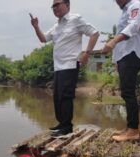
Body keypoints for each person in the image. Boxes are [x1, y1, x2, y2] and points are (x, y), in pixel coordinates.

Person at [29, 0, 99, 137]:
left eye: (57, 4)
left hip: (70, 64)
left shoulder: (76, 19)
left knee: (66, 96)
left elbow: (94, 33)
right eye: (53, 6)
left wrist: (87, 53)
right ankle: (62, 123)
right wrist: (36, 27)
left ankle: (67, 127)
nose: (55, 8)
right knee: (57, 97)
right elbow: (43, 39)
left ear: (67, 5)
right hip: (58, 66)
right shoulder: (56, 26)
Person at [102, 0, 140, 141]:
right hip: (124, 56)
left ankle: (133, 130)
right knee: (125, 91)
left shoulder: (136, 6)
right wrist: (116, 60)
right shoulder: (125, 11)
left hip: (132, 53)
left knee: (128, 91)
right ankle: (130, 127)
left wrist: (113, 41)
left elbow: (133, 26)